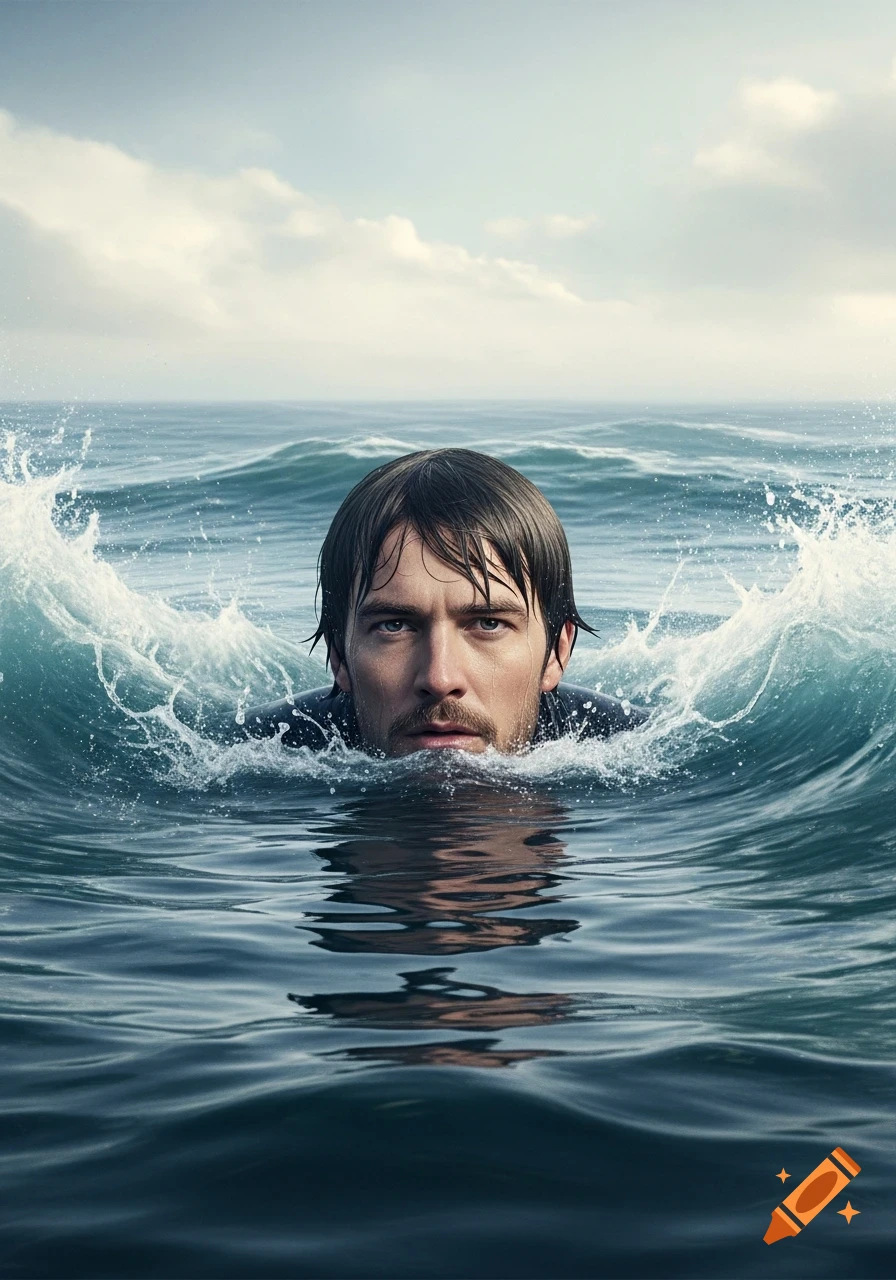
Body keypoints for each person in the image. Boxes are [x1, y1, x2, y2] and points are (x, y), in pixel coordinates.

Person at [242, 447, 647, 755]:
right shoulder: (258, 750)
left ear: (557, 652)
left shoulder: (632, 747)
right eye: (394, 626)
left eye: (488, 623)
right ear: (338, 655)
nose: (439, 680)